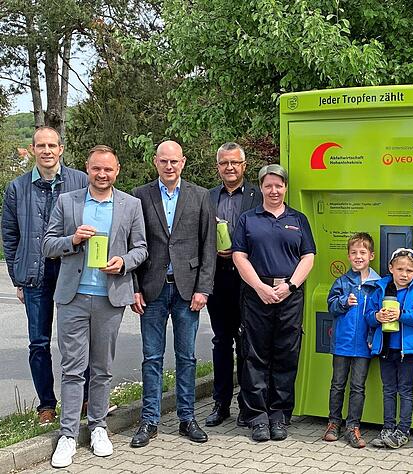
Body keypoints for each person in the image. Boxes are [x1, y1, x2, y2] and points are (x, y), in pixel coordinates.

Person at [44, 146, 148, 467]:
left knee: (102, 368)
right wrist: (73, 240)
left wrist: (124, 262)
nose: (102, 174)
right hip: (73, 297)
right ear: (87, 169)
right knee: (72, 369)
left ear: (117, 170)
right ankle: (68, 434)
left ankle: (98, 426)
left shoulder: (131, 204)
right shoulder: (68, 201)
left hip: (110, 298)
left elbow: (141, 248)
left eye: (108, 169)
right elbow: (48, 244)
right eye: (96, 169)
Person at [130, 141, 216, 448]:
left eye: (174, 161)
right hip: (151, 288)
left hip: (187, 290)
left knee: (187, 357)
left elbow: (208, 245)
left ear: (183, 162)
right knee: (151, 357)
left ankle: (187, 418)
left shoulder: (200, 195)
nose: (169, 166)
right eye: (164, 161)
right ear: (155, 162)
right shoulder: (140, 196)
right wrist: (134, 288)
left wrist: (203, 288)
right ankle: (149, 420)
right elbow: (131, 243)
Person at [2, 126, 88, 425]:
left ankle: (84, 399)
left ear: (61, 149)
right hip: (35, 276)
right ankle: (47, 406)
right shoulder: (17, 188)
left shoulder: (80, 181)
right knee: (38, 343)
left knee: (77, 340)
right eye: (41, 146)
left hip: (71, 270)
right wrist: (18, 278)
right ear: (33, 149)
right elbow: (10, 235)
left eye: (52, 145)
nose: (47, 151)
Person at [232, 164, 315, 442]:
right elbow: (239, 256)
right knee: (254, 355)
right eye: (268, 185)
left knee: (286, 355)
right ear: (261, 188)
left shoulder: (298, 219)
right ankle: (257, 417)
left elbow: (308, 256)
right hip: (256, 295)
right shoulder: (248, 219)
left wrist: (290, 286)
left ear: (285, 187)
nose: (274, 190)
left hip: (289, 295)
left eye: (279, 185)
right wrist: (259, 287)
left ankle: (279, 415)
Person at [204, 142, 262, 428]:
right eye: (224, 163)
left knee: (247, 342)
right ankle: (221, 403)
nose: (230, 167)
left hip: (248, 278)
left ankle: (247, 405)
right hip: (218, 277)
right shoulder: (207, 197)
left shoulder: (258, 195)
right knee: (221, 341)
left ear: (244, 166)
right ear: (218, 167)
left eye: (234, 162)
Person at [364, 247, 413, 450]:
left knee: (406, 390)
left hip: (407, 351)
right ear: (391, 268)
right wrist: (377, 317)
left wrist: (401, 314)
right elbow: (369, 316)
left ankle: (403, 431)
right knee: (389, 390)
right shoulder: (380, 290)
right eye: (400, 269)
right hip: (385, 348)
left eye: (409, 270)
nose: (404, 274)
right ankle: (388, 428)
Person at [322, 232, 381, 448]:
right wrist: (344, 302)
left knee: (358, 387)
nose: (358, 256)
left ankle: (353, 427)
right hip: (342, 343)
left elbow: (377, 317)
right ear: (348, 256)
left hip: (364, 345)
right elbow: (331, 306)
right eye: (354, 252)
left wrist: (372, 338)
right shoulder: (341, 281)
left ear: (371, 255)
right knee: (337, 384)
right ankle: (333, 423)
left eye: (362, 252)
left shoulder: (378, 285)